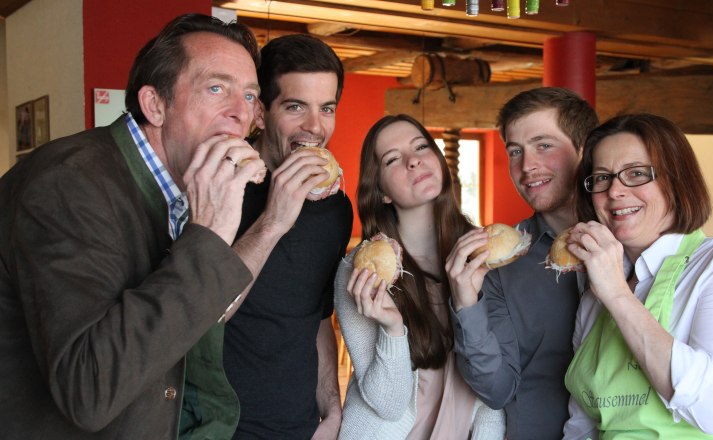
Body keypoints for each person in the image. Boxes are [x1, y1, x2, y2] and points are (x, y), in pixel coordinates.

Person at [0, 13, 272, 439]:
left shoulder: (187, 192)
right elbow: (88, 392)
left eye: (251, 95)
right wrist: (210, 236)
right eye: (216, 88)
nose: (242, 113)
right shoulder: (68, 185)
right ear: (154, 106)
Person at [561, 113, 713, 439]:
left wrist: (618, 295)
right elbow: (582, 422)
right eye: (602, 178)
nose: (615, 191)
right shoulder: (596, 294)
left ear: (678, 180)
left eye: (636, 173)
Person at [335, 114, 506, 439]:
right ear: (381, 191)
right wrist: (392, 328)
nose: (413, 162)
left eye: (421, 147)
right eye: (393, 159)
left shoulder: (483, 254)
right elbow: (387, 405)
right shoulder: (362, 270)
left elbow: (492, 397)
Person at [444, 87, 599, 439]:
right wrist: (466, 303)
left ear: (584, 149)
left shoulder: (632, 244)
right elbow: (497, 390)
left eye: (544, 145)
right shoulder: (501, 262)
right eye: (515, 150)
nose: (526, 166)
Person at [222, 34, 353, 439]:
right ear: (260, 113)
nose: (315, 127)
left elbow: (314, 317)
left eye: (326, 109)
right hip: (217, 427)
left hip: (299, 427)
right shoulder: (220, 186)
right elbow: (207, 312)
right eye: (296, 107)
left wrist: (331, 408)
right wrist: (274, 220)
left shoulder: (335, 209)